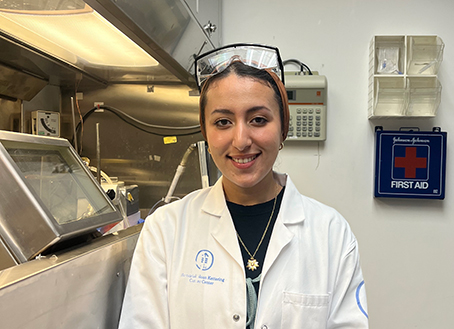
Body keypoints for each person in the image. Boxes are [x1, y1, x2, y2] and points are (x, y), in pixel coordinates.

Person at [118, 44, 369, 329]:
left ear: (283, 126)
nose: (241, 140)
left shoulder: (331, 234)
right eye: (223, 122)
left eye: (258, 120)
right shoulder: (165, 230)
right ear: (205, 131)